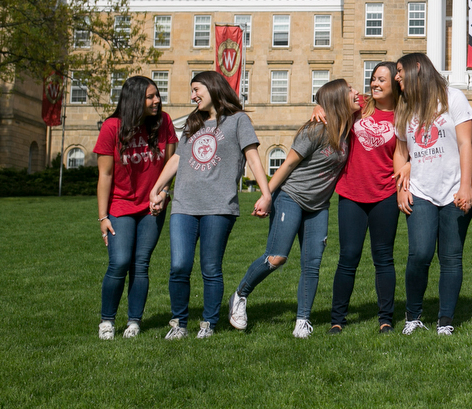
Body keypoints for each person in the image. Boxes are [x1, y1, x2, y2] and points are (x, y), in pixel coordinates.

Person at [228, 79, 357, 338]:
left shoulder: (347, 129)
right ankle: (240, 295)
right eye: (351, 90)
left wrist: (319, 104)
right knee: (277, 257)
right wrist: (266, 196)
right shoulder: (316, 130)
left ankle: (303, 320)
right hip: (291, 197)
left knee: (312, 263)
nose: (357, 92)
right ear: (338, 99)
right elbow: (286, 165)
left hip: (319, 205)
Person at [149, 71, 270, 340]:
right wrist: (156, 189)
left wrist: (266, 193)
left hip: (219, 205)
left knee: (210, 267)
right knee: (179, 265)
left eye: (196, 89)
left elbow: (253, 157)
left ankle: (208, 323)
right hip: (184, 204)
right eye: (191, 91)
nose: (193, 96)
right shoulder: (192, 123)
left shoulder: (238, 120)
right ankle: (179, 323)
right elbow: (177, 160)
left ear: (212, 87)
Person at [393, 53, 472, 336]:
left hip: (454, 190)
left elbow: (466, 144)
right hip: (421, 190)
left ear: (417, 68)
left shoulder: (453, 98)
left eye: (400, 71)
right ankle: (413, 316)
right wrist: (400, 188)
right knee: (420, 253)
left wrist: (467, 186)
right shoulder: (404, 107)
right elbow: (400, 152)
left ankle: (445, 320)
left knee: (451, 257)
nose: (396, 77)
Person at [94, 75, 178, 339]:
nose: (157, 100)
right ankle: (107, 321)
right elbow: (105, 175)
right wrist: (102, 217)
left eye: (157, 95)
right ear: (134, 100)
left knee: (141, 264)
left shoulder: (163, 122)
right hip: (120, 204)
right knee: (119, 262)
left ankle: (134, 322)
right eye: (151, 96)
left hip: (151, 205)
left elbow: (171, 162)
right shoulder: (111, 127)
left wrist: (163, 192)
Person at [327, 62, 402, 335]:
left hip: (384, 194)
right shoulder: (361, 105)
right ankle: (337, 319)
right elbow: (330, 100)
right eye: (373, 78)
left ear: (395, 83)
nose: (375, 83)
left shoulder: (403, 116)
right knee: (348, 256)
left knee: (383, 258)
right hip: (351, 193)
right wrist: (317, 108)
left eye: (382, 79)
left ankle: (386, 319)